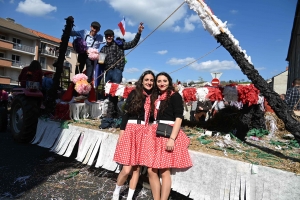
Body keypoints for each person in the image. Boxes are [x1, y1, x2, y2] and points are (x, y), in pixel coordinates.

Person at [140, 72, 193, 200]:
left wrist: (172, 139)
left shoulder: (174, 96)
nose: (162, 83)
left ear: (169, 82)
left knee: (164, 171)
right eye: (159, 81)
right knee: (151, 170)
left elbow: (179, 118)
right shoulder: (156, 96)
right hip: (155, 133)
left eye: (164, 81)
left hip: (167, 133)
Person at [112, 70, 156, 200]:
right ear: (142, 81)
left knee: (136, 169)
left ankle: (130, 197)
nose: (149, 82)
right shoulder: (134, 93)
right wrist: (122, 132)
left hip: (144, 131)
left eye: (151, 80)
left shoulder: (153, 97)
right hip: (131, 130)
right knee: (126, 169)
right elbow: (126, 114)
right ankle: (116, 193)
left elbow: (153, 119)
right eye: (147, 79)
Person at [100, 22, 144, 117]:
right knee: (109, 93)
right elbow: (100, 62)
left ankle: (111, 113)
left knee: (115, 92)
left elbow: (132, 43)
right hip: (107, 72)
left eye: (111, 36)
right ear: (105, 37)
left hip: (117, 71)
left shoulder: (119, 44)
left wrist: (139, 33)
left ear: (113, 36)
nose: (109, 37)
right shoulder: (103, 49)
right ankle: (113, 112)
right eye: (107, 36)